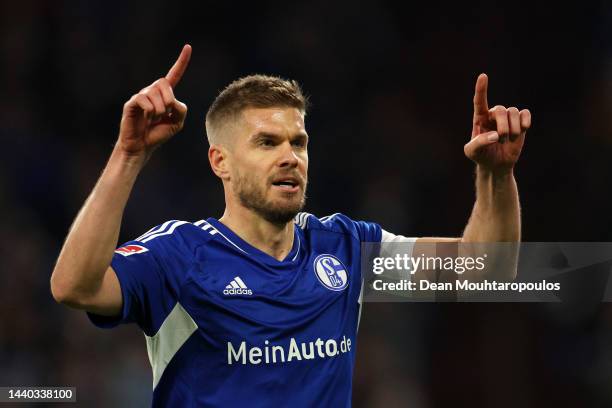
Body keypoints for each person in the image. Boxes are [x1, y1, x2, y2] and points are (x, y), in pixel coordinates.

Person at [50, 44, 531, 407]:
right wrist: (129, 155)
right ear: (221, 161)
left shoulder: (344, 246)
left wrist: (496, 174)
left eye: (298, 142)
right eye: (266, 142)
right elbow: (73, 286)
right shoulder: (180, 256)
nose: (289, 157)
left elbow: (486, 269)